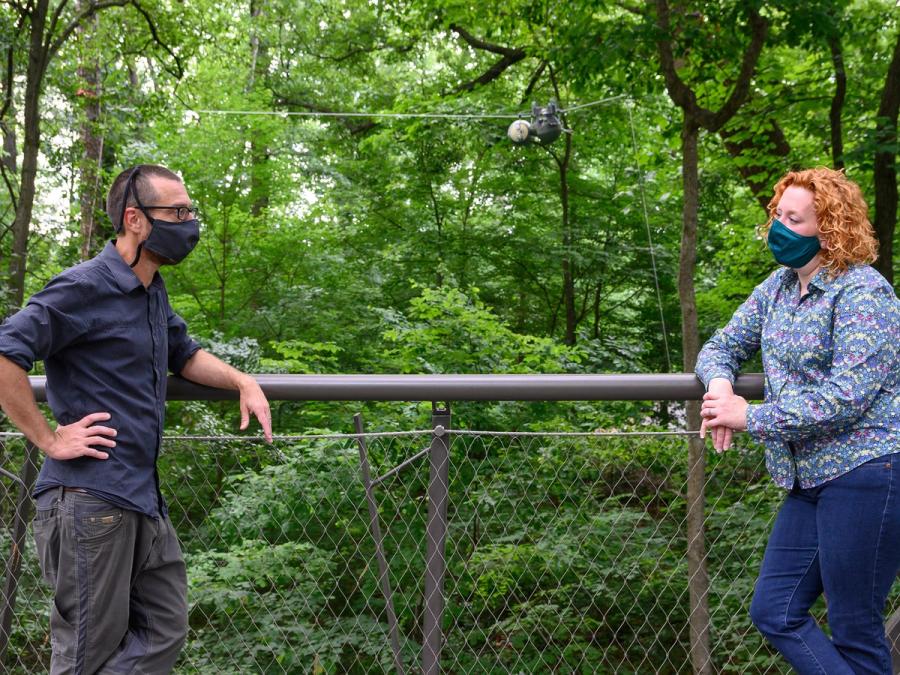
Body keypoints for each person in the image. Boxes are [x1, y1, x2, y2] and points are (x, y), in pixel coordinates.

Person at [0, 164, 273, 674]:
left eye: (190, 211)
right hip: (87, 500)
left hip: (141, 495)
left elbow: (184, 354)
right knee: (85, 655)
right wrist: (47, 438)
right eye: (178, 212)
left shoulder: (151, 290)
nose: (189, 222)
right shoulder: (84, 286)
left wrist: (242, 380)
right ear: (135, 220)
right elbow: (5, 354)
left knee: (165, 627)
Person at [695, 167, 900, 674]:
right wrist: (720, 384)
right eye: (776, 215)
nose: (778, 228)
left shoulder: (863, 292)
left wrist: (750, 416)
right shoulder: (778, 288)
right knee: (775, 611)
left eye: (794, 218)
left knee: (855, 628)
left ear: (828, 228)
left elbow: (847, 395)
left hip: (867, 472)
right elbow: (720, 346)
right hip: (806, 478)